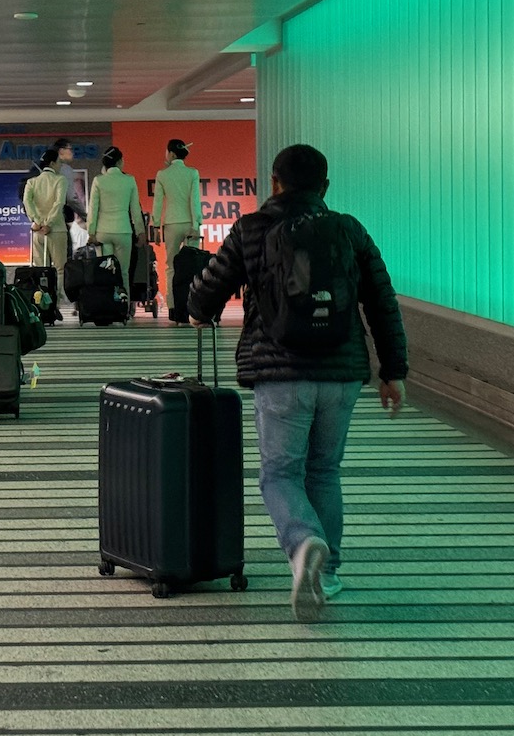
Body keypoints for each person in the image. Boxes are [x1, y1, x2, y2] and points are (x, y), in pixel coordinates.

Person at [186, 144, 407, 622]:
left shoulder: (250, 229)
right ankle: (326, 573)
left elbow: (205, 293)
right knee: (324, 471)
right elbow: (382, 302)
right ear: (325, 187)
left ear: (274, 182)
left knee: (280, 473)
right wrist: (394, 372)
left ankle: (304, 542)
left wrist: (198, 309)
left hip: (279, 373)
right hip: (341, 374)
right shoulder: (348, 230)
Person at [86, 146, 145, 297]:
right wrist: (140, 231)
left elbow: (93, 209)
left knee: (104, 271)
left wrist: (91, 232)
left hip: (103, 232)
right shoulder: (129, 180)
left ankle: (106, 304)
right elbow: (135, 210)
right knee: (123, 272)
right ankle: (123, 308)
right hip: (123, 231)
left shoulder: (98, 181)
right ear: (119, 161)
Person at [151, 138, 202, 311]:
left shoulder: (162, 175)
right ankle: (191, 304)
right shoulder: (193, 173)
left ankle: (173, 306)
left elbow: (158, 203)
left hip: (171, 223)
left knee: (171, 266)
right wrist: (196, 223)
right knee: (191, 265)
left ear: (172, 153)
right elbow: (194, 200)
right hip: (189, 223)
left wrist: (156, 226)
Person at [22, 147, 68, 297]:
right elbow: (59, 203)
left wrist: (36, 220)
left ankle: (42, 301)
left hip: (37, 230)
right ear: (53, 163)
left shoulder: (32, 182)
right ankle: (57, 302)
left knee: (40, 268)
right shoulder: (60, 180)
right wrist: (49, 223)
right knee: (60, 268)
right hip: (57, 229)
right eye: (59, 162)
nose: (61, 165)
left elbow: (27, 202)